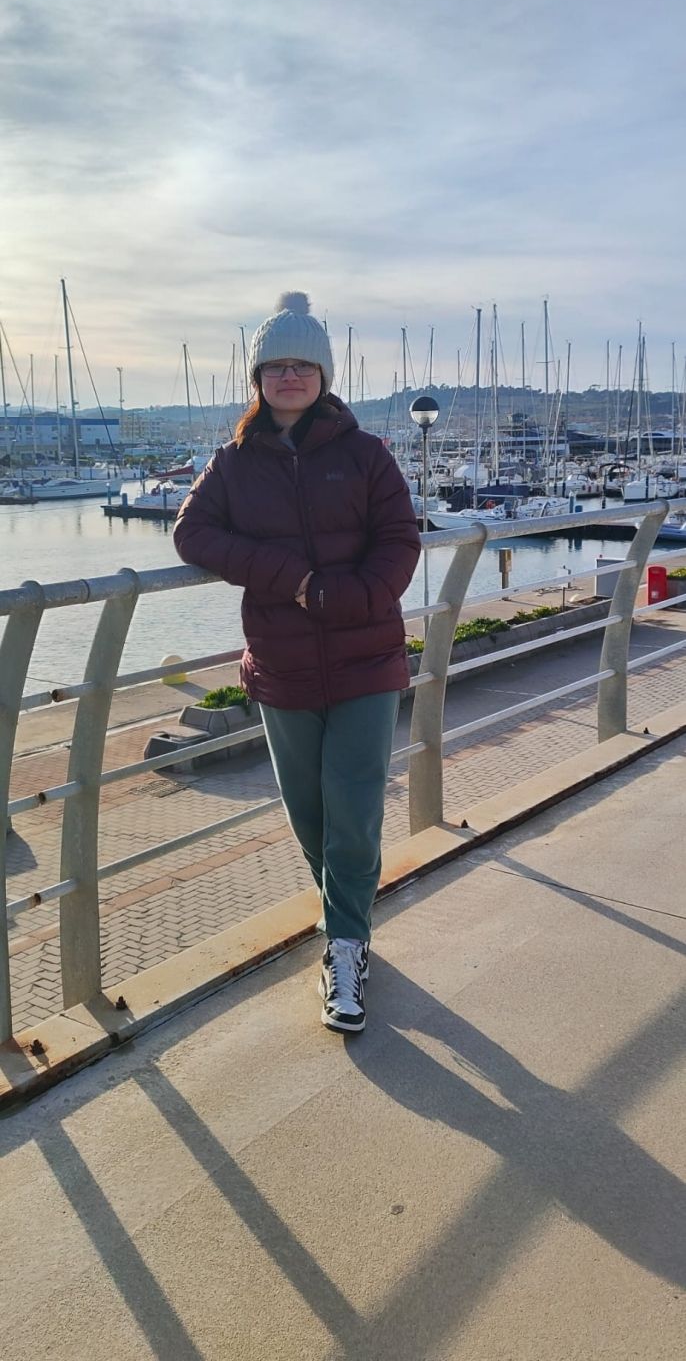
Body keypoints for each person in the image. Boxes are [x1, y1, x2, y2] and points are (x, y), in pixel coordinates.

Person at [173, 292, 421, 1032]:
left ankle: (345, 945)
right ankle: (348, 916)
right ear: (258, 377)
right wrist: (293, 579)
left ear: (323, 374)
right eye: (276, 365)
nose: (289, 376)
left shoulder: (365, 455)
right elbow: (192, 535)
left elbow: (401, 541)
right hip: (281, 664)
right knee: (310, 815)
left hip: (366, 657)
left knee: (353, 807)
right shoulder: (233, 464)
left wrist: (354, 597)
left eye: (302, 365)